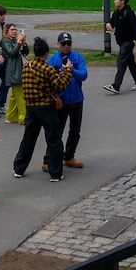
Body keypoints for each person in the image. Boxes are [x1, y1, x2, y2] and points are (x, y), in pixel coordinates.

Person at [12, 38, 72, 182]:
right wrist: (68, 70)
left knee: (28, 138)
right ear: (46, 53)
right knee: (53, 139)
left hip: (31, 107)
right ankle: (55, 172)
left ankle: (19, 168)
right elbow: (61, 85)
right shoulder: (47, 69)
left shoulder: (27, 67)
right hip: (46, 107)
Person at [45, 32, 88, 171]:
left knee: (75, 131)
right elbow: (48, 80)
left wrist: (71, 70)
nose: (66, 46)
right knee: (56, 132)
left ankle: (69, 156)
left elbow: (84, 75)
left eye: (69, 43)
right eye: (63, 44)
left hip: (76, 99)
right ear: (58, 44)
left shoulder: (77, 57)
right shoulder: (52, 60)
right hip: (61, 101)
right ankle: (48, 159)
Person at [102, 0, 136, 93]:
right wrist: (108, 24)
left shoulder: (128, 13)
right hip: (121, 41)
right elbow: (112, 21)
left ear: (123, 1)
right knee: (130, 62)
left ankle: (116, 86)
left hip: (128, 41)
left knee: (121, 62)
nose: (115, 1)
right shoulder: (117, 12)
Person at [0, 23, 29, 123]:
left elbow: (26, 52)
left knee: (14, 95)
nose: (14, 31)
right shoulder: (5, 41)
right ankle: (23, 118)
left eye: (15, 30)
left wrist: (23, 43)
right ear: (6, 31)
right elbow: (12, 52)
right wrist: (18, 42)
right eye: (12, 30)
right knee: (21, 96)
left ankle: (10, 116)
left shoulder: (15, 41)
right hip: (13, 71)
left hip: (19, 69)